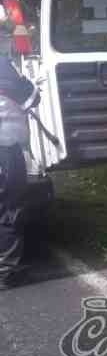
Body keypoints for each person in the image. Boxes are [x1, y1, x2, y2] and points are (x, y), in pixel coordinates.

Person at [0, 56, 36, 289]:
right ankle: (5, 271)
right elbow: (32, 97)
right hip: (4, 147)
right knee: (8, 207)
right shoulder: (2, 65)